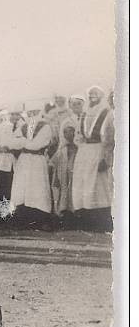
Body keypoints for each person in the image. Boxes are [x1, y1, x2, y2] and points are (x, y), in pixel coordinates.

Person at [71, 85, 114, 231]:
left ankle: (101, 222)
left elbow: (110, 137)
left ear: (101, 96)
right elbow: (78, 135)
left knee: (98, 185)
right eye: (90, 95)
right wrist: (81, 143)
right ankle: (85, 220)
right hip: (84, 153)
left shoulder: (107, 113)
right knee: (83, 184)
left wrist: (106, 158)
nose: (92, 97)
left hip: (99, 151)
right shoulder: (85, 113)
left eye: (95, 95)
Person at [10, 117, 54, 227]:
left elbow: (35, 145)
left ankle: (39, 219)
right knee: (22, 189)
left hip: (37, 160)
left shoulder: (45, 126)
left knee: (37, 189)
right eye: (30, 112)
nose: (32, 115)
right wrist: (25, 142)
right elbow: (12, 143)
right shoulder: (23, 126)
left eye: (35, 112)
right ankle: (23, 218)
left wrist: (23, 141)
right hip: (24, 160)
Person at [0, 109, 23, 202]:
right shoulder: (1, 127)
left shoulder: (24, 127)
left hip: (19, 163)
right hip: (4, 163)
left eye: (17, 114)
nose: (15, 117)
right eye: (13, 114)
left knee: (17, 191)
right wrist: (2, 149)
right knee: (3, 191)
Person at [50, 123, 78, 223]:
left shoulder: (78, 148)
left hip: (75, 176)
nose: (68, 134)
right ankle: (64, 215)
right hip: (64, 177)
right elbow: (53, 162)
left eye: (71, 132)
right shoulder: (62, 149)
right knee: (64, 194)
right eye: (65, 132)